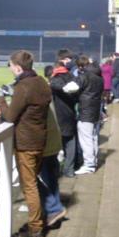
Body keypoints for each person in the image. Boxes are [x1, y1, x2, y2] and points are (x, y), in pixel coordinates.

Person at [0, 50, 52, 237]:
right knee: (33, 182)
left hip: (26, 143)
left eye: (10, 66)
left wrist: (1, 99)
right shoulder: (41, 82)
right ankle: (45, 216)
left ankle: (36, 228)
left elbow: (10, 116)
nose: (10, 69)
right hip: (40, 139)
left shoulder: (24, 87)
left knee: (30, 186)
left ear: (18, 67)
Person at [37, 81, 67, 228]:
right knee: (51, 179)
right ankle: (54, 212)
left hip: (45, 145)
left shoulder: (36, 97)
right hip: (54, 142)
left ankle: (54, 209)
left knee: (33, 180)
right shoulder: (47, 95)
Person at [48, 61, 79, 178]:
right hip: (71, 113)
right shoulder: (73, 77)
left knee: (55, 145)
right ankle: (69, 169)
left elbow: (54, 85)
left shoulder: (55, 79)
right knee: (71, 143)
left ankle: (55, 171)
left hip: (58, 116)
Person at [75, 55, 104, 175]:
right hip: (95, 111)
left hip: (86, 112)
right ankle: (93, 161)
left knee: (86, 139)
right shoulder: (99, 78)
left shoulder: (85, 77)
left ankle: (89, 164)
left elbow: (70, 88)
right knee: (93, 137)